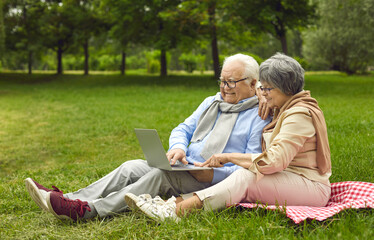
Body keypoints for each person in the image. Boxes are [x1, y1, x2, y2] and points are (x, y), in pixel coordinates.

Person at [25, 53, 270, 221]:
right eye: (222, 81)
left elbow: (249, 165)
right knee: (130, 167)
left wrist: (213, 173)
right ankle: (69, 198)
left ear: (253, 84)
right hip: (185, 165)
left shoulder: (260, 115)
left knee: (159, 174)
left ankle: (88, 210)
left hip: (212, 180)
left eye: (232, 82)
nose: (224, 87)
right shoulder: (211, 102)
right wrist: (178, 148)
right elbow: (183, 129)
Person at [126, 53, 332, 222]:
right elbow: (256, 87)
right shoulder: (283, 104)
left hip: (309, 186)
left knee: (245, 176)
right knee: (245, 174)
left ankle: (174, 212)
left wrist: (229, 157)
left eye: (268, 89)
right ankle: (171, 204)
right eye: (262, 87)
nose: (264, 93)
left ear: (286, 89)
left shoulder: (298, 115)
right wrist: (260, 92)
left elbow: (274, 160)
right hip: (287, 177)